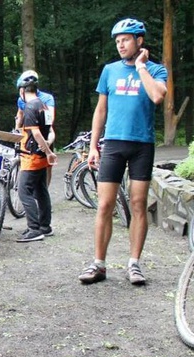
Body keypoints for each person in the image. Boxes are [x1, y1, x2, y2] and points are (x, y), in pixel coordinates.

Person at [78, 18, 167, 285]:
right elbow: (101, 110)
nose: (120, 45)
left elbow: (158, 96)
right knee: (104, 205)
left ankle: (134, 264)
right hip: (114, 144)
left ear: (139, 41)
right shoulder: (109, 71)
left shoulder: (156, 70)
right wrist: (94, 145)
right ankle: (99, 264)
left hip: (142, 145)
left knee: (138, 204)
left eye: (125, 40)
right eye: (117, 41)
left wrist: (141, 68)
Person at [15, 74, 58, 242]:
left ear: (22, 91)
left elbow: (37, 133)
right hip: (41, 156)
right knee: (41, 190)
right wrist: (48, 151)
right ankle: (45, 226)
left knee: (24, 190)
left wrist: (48, 151)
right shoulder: (43, 105)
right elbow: (49, 130)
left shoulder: (31, 107)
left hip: (32, 155)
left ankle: (34, 228)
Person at [15, 70, 56, 185]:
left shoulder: (47, 98)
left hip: (43, 132)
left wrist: (47, 141)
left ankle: (44, 189)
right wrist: (17, 131)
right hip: (29, 135)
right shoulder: (21, 99)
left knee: (47, 167)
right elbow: (20, 115)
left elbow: (50, 118)